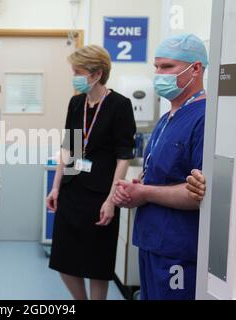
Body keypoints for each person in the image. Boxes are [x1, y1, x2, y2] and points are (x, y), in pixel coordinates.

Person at [113, 34, 208, 300]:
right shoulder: (167, 118)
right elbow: (157, 174)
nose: (158, 74)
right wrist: (134, 190)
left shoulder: (204, 119)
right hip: (151, 241)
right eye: (156, 67)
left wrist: (145, 194)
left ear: (196, 69)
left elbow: (200, 193)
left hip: (179, 247)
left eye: (167, 67)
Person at [46, 45, 136, 300]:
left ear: (96, 74)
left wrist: (111, 200)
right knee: (64, 260)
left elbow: (123, 157)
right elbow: (68, 148)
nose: (74, 76)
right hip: (72, 192)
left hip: (101, 195)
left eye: (78, 71)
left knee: (98, 265)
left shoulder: (120, 105)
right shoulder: (76, 103)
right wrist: (55, 187)